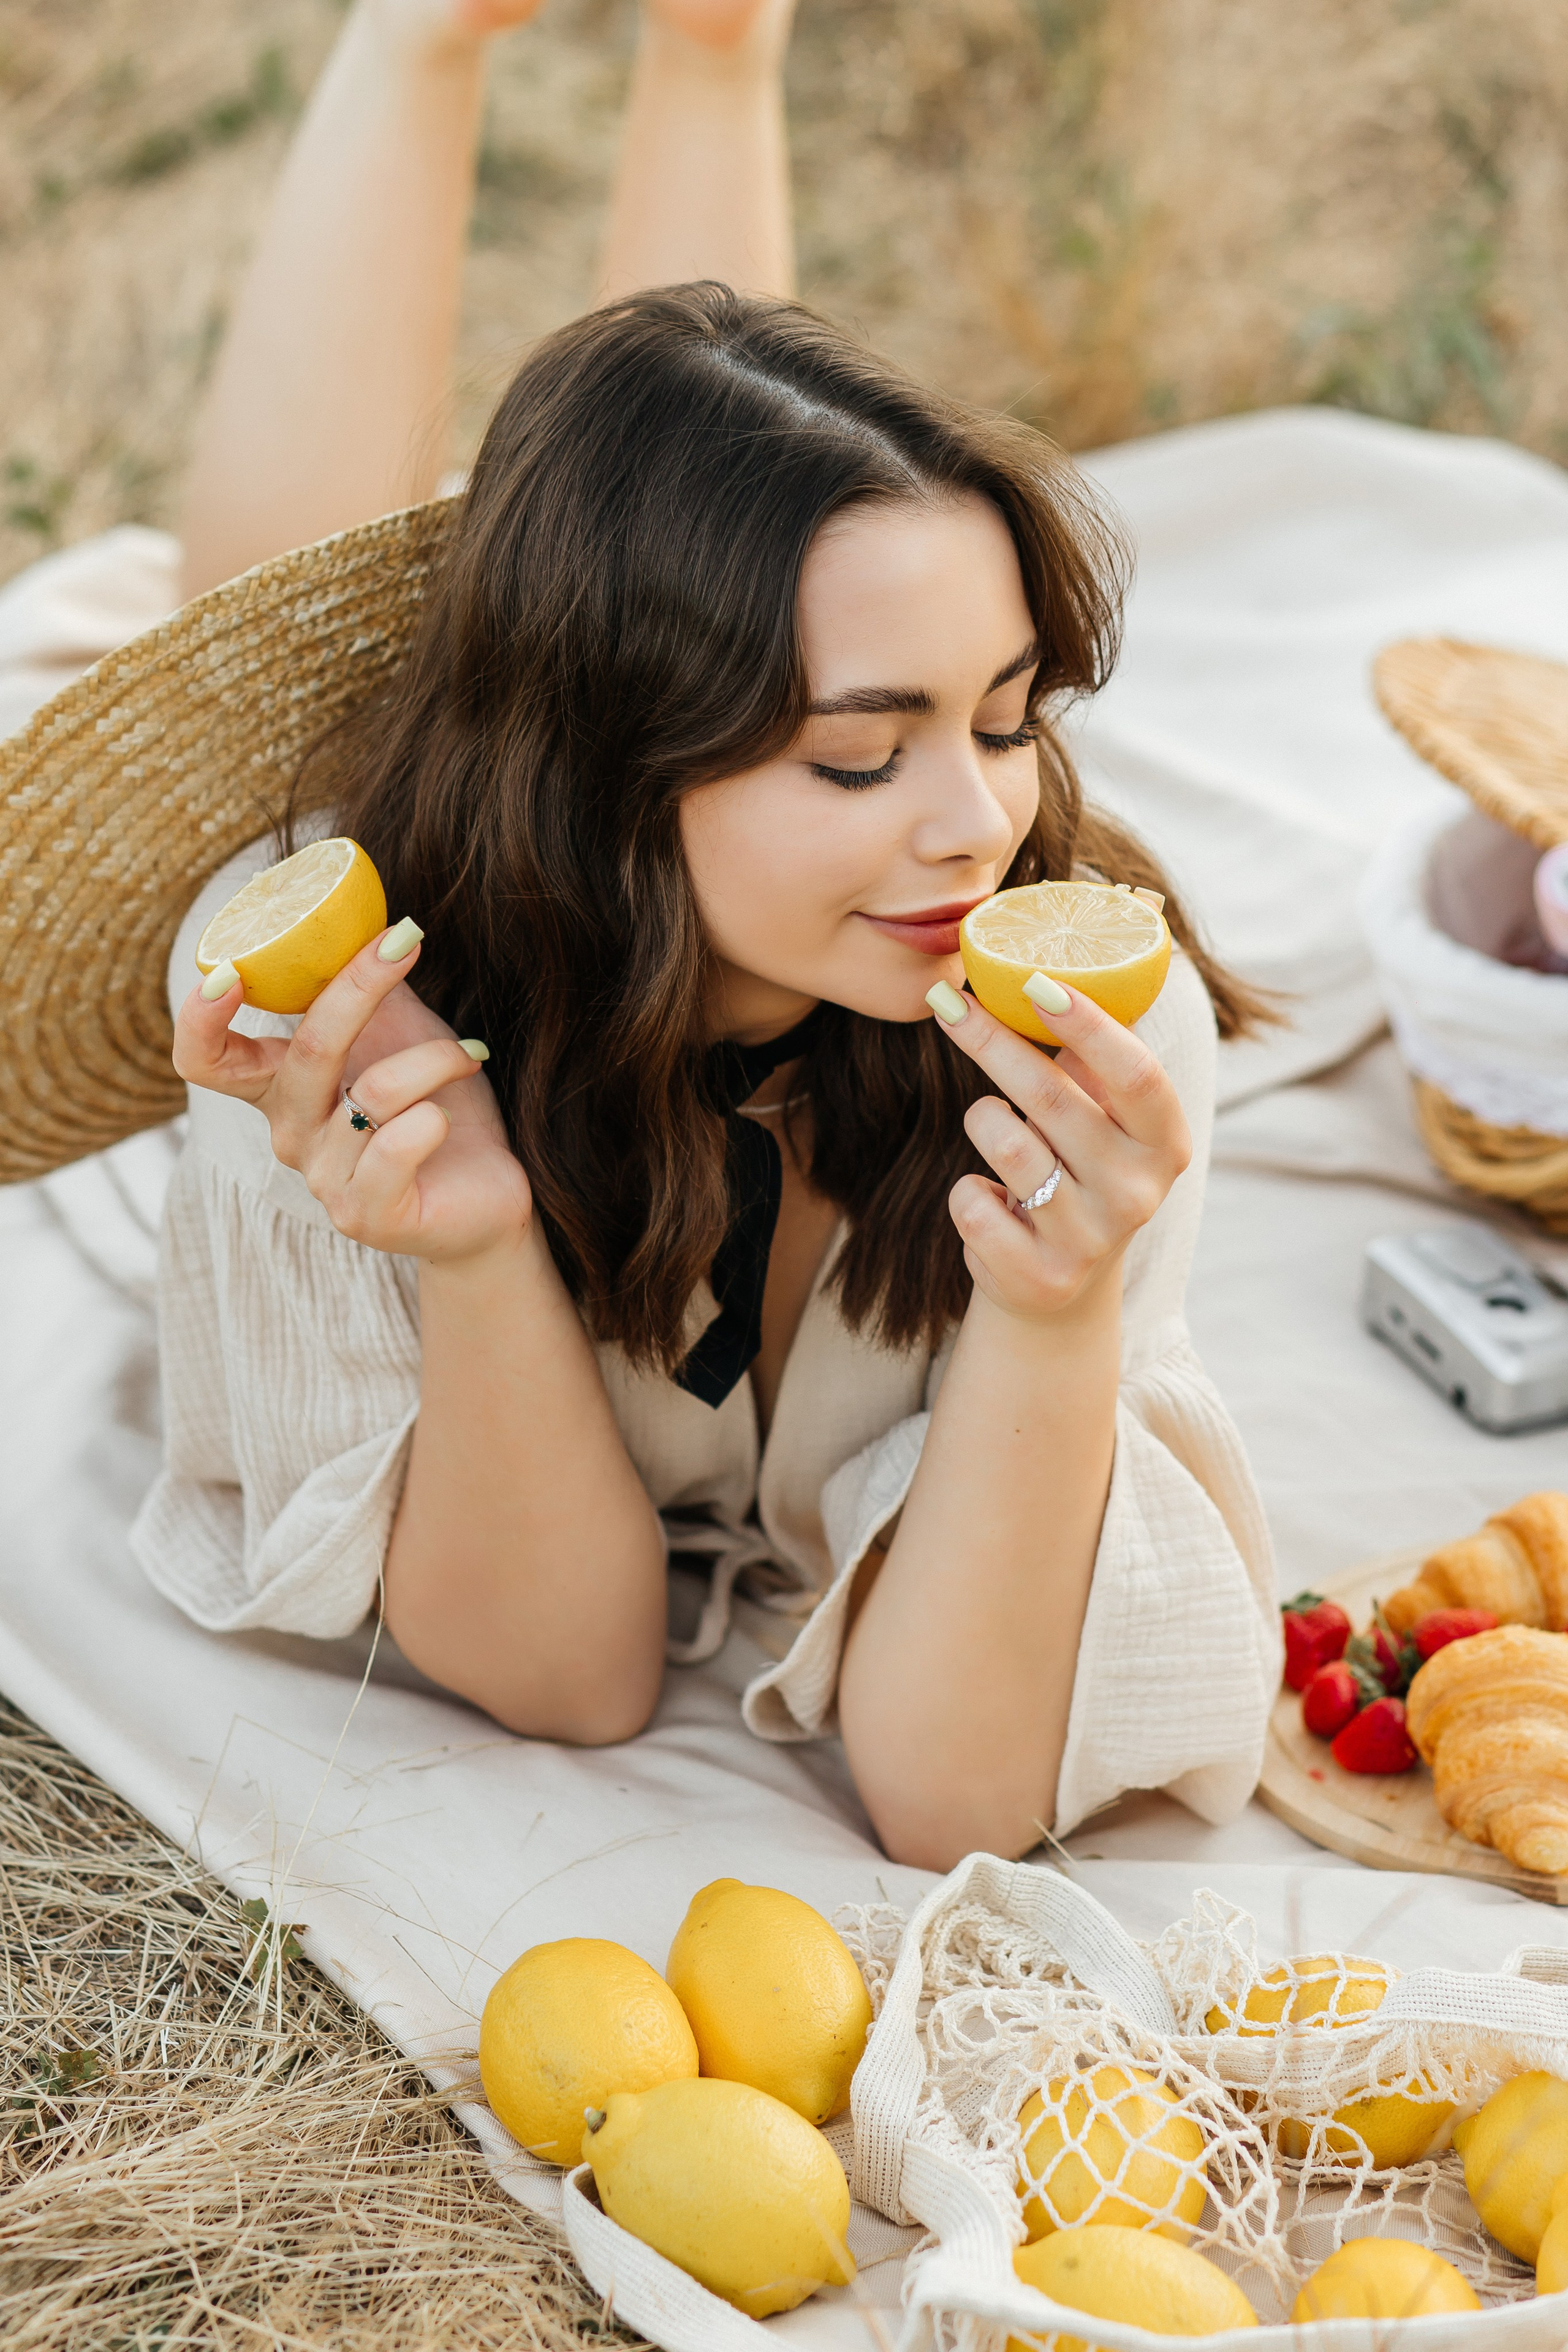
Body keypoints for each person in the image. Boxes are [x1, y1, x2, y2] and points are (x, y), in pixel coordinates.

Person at [131, 0, 1281, 1872]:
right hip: (490, 889)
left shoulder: (1092, 1029)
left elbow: (951, 1793)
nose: (981, 827)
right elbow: (568, 1683)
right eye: (857, 755)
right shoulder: (333, 1011)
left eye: (1005, 716)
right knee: (254, 631)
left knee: (716, 459)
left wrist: (1057, 1318)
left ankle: (721, 40)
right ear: (610, 775)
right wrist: (482, 1245)